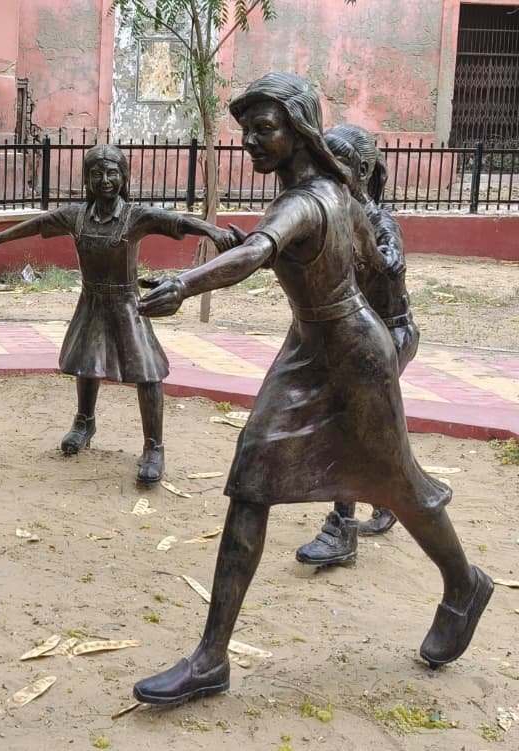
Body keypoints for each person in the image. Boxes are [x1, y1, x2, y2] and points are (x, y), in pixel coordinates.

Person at [132, 72, 491, 705]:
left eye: (263, 128)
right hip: (310, 348)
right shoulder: (335, 194)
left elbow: (262, 254)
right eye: (245, 130)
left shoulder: (305, 201)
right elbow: (357, 261)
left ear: (299, 132)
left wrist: (186, 285)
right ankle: (211, 658)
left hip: (353, 358)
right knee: (251, 481)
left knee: (398, 486)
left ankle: (464, 583)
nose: (250, 140)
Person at [0, 144, 236, 484]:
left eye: (112, 173)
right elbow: (38, 224)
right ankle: (84, 422)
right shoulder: (76, 216)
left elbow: (175, 220)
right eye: (97, 173)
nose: (105, 180)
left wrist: (212, 230)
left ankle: (154, 446)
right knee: (86, 362)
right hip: (92, 301)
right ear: (87, 179)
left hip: (127, 304)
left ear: (124, 178)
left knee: (147, 372)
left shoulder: (134, 216)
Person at [295, 123, 415, 565]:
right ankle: (388, 497)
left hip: (388, 335)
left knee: (346, 423)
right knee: (370, 425)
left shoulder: (380, 221)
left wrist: (373, 248)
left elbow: (390, 261)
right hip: (353, 336)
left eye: (336, 163)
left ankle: (341, 529)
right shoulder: (329, 213)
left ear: (361, 171)